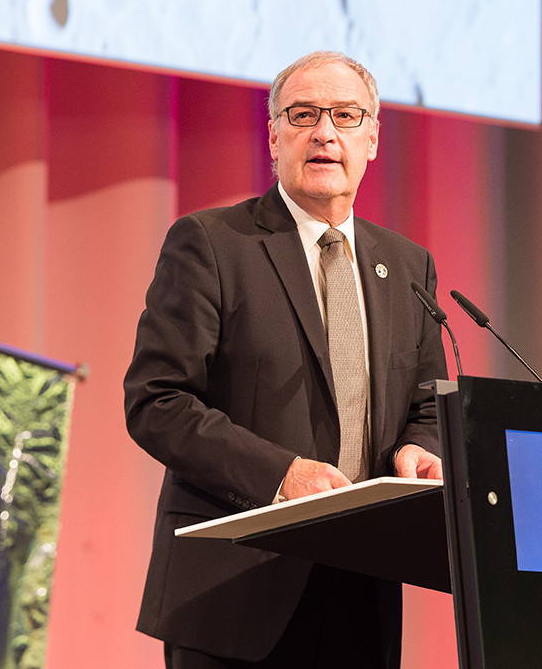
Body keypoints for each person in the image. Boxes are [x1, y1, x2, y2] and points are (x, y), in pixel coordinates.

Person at [124, 51, 448, 669]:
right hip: (235, 590)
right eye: (304, 114)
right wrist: (281, 476)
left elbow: (428, 402)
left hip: (363, 592)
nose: (325, 132)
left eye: (347, 116)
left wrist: (420, 446)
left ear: (373, 138)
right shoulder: (213, 244)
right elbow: (157, 401)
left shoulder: (408, 266)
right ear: (273, 136)